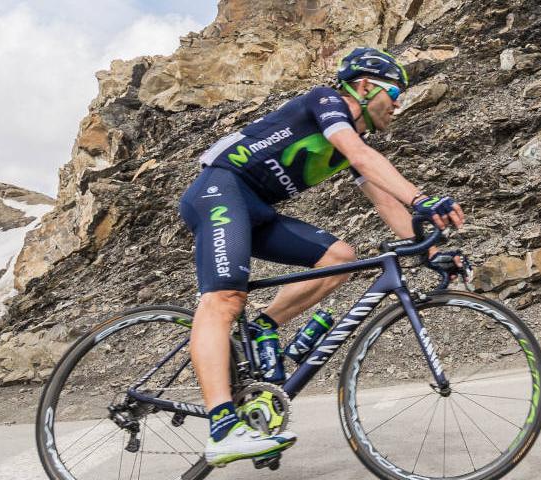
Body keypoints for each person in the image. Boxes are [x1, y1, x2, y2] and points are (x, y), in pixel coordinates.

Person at [177, 47, 464, 467]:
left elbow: (385, 200)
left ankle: (262, 327)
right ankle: (222, 429)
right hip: (219, 191)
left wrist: (432, 253)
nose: (398, 104)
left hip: (255, 208)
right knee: (224, 299)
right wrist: (422, 199)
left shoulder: (352, 142)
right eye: (393, 93)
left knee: (340, 257)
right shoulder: (325, 101)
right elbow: (364, 157)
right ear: (363, 86)